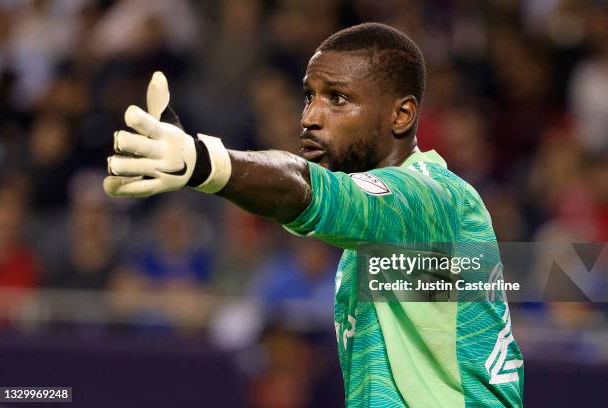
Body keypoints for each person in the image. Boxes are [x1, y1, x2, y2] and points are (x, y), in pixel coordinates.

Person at [104, 23, 524, 407]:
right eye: (310, 96)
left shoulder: (435, 202)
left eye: (337, 99)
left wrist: (205, 163)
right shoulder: (384, 234)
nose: (309, 117)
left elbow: (321, 193)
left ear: (401, 115)